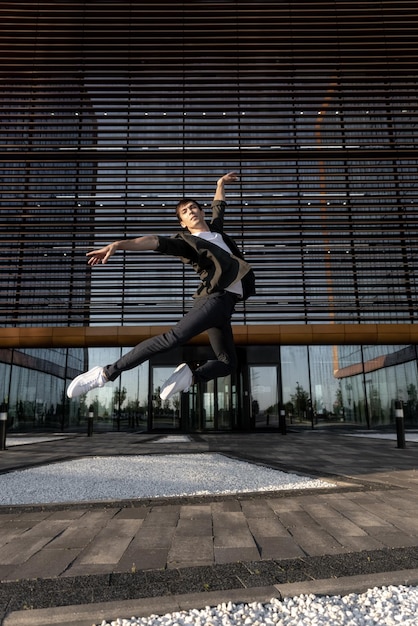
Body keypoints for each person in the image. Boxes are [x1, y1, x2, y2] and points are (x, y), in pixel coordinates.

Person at [67, 172, 255, 400]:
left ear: (201, 211)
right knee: (172, 338)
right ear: (182, 223)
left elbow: (219, 205)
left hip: (225, 308)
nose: (191, 211)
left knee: (228, 363)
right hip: (213, 299)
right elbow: (154, 241)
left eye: (193, 207)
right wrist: (118, 244)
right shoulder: (187, 243)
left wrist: (220, 183)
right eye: (185, 212)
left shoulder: (217, 232)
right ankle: (105, 373)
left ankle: (190, 376)